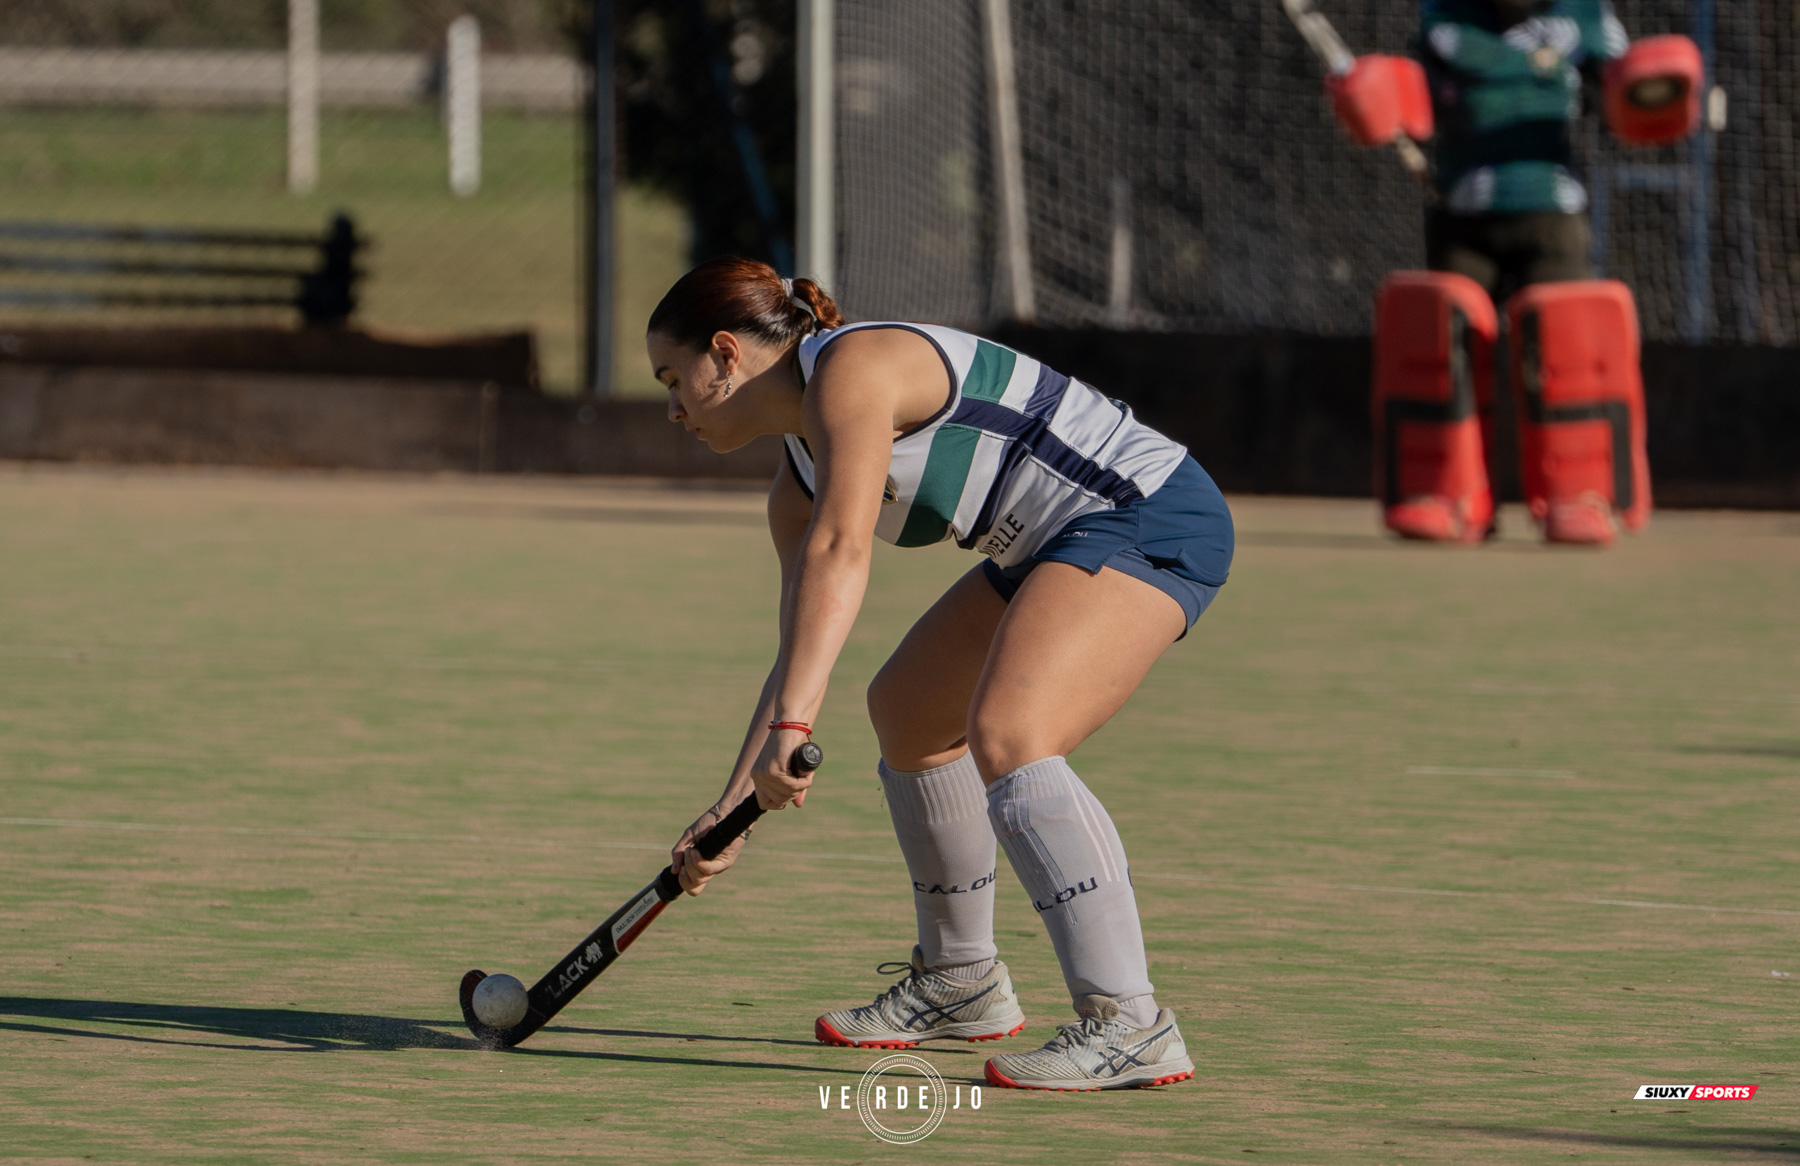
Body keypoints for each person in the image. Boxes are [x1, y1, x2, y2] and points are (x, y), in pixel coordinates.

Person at [647, 256, 1233, 1091]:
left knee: (1010, 734)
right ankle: (963, 979)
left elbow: (846, 550)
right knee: (912, 710)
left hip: (1144, 511)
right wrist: (733, 807)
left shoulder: (852, 370)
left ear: (726, 353)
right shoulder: (795, 480)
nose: (671, 408)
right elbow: (799, 648)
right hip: (1048, 545)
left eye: (675, 379)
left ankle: (1130, 1024)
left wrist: (793, 733)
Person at [1326, 0, 1699, 544]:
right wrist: (1376, 93)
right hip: (1463, 211)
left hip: (1552, 209)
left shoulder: (1586, 16)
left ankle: (1579, 494)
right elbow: (1418, 94)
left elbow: (1623, 94)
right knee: (1440, 344)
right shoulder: (1446, 18)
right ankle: (1443, 492)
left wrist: (1648, 86)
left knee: (1566, 346)